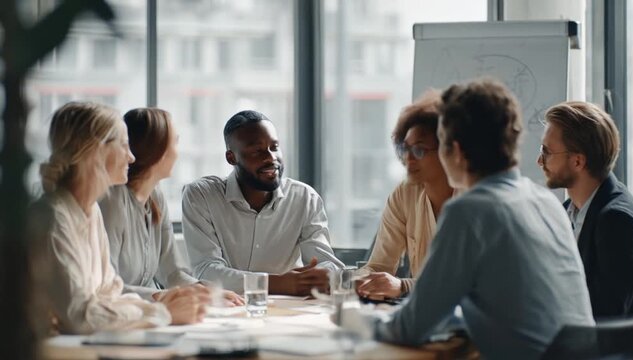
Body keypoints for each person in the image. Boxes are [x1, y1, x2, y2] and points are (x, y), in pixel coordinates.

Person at [338, 79, 594, 359]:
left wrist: (352, 319)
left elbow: (409, 328)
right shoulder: (547, 203)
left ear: (456, 151)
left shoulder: (469, 211)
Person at [30, 102, 210, 334]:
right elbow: (80, 315)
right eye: (124, 146)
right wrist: (163, 313)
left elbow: (110, 293)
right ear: (96, 150)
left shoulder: (90, 211)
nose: (132, 157)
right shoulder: (52, 217)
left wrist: (162, 309)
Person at [182, 110, 344, 295]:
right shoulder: (202, 196)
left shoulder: (305, 198)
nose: (270, 157)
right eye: (257, 150)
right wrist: (278, 284)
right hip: (227, 310)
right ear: (231, 157)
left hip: (289, 312)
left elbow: (327, 262)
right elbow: (206, 271)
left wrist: (325, 273)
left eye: (274, 147)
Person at [99, 108, 243, 306]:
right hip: (123, 315)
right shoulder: (112, 200)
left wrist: (205, 290)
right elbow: (106, 287)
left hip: (151, 313)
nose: (178, 152)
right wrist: (165, 297)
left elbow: (173, 273)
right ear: (156, 150)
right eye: (175, 142)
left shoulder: (155, 195)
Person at [538, 101, 633, 318]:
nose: (540, 161)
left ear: (577, 161)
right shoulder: (568, 210)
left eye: (546, 152)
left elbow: (607, 316)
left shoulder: (616, 219)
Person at [357, 91, 456, 299]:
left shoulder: (475, 199)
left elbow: (462, 283)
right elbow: (379, 265)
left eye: (419, 150)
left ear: (447, 151)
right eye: (405, 148)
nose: (408, 159)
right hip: (423, 313)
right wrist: (357, 280)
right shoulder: (405, 193)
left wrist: (403, 286)